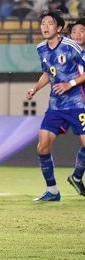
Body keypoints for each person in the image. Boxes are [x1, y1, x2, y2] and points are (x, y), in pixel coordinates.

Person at [26, 12, 85, 201]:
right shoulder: (41, 48)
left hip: (77, 104)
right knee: (42, 146)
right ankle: (52, 191)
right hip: (55, 106)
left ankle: (76, 176)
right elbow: (48, 73)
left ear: (59, 28)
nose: (45, 26)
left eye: (50, 23)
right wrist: (35, 89)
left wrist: (70, 84)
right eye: (43, 23)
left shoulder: (71, 46)